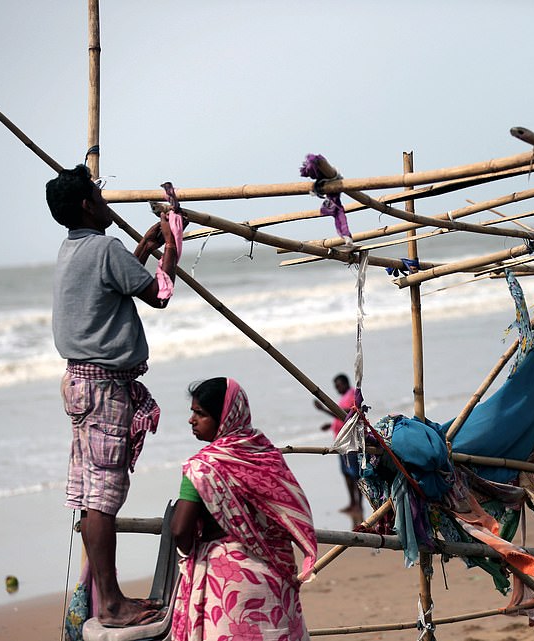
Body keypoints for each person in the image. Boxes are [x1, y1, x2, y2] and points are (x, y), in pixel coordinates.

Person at [47, 164, 178, 628]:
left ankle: (106, 595)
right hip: (103, 387)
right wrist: (173, 243)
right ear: (87, 204)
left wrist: (144, 247)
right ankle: (110, 602)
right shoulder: (104, 248)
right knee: (104, 494)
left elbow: (117, 282)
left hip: (81, 382)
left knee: (90, 491)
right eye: (99, 197)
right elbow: (159, 295)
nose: (107, 204)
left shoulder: (72, 249)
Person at [171, 378, 317, 641]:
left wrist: (191, 550)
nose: (191, 420)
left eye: (200, 413)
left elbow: (180, 529)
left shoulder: (203, 468)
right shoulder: (266, 455)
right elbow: (291, 510)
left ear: (224, 417)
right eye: (193, 412)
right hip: (274, 578)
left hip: (228, 583)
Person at [313, 374, 363, 515]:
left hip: (350, 442)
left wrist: (323, 409)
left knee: (355, 474)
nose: (337, 388)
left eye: (339, 385)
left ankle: (359, 505)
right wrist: (330, 425)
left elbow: (347, 414)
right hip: (341, 442)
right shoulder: (344, 397)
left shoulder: (352, 395)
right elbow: (342, 419)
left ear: (345, 383)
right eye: (336, 386)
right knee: (346, 474)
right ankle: (352, 503)